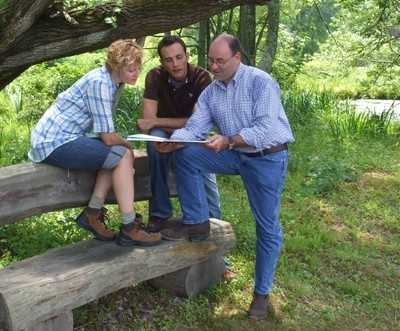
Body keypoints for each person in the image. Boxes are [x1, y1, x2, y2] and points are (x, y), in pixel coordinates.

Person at [152, 34, 295, 320]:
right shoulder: (211, 92)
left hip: (266, 157)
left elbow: (265, 129)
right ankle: (197, 221)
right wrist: (176, 141)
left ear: (237, 58)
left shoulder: (260, 82)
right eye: (211, 61)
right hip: (235, 154)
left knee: (266, 226)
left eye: (220, 61)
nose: (214, 67)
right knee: (186, 154)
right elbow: (195, 128)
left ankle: (261, 293)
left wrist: (229, 140)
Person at [28, 39, 161, 247]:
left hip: (61, 138)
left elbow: (107, 140)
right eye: (131, 69)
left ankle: (92, 213)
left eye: (138, 68)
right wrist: (127, 146)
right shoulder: (100, 83)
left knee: (115, 154)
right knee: (122, 155)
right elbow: (108, 137)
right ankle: (128, 228)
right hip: (55, 141)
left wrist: (121, 147)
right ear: (117, 66)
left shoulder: (109, 81)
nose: (136, 73)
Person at [136, 35, 221, 233]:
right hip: (163, 133)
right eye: (169, 59)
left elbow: (197, 122)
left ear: (187, 56)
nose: (175, 64)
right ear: (161, 62)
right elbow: (149, 121)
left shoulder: (202, 77)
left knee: (195, 154)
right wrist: (157, 124)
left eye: (179, 57)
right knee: (154, 142)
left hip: (194, 133)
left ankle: (212, 220)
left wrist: (158, 121)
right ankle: (161, 212)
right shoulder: (155, 76)